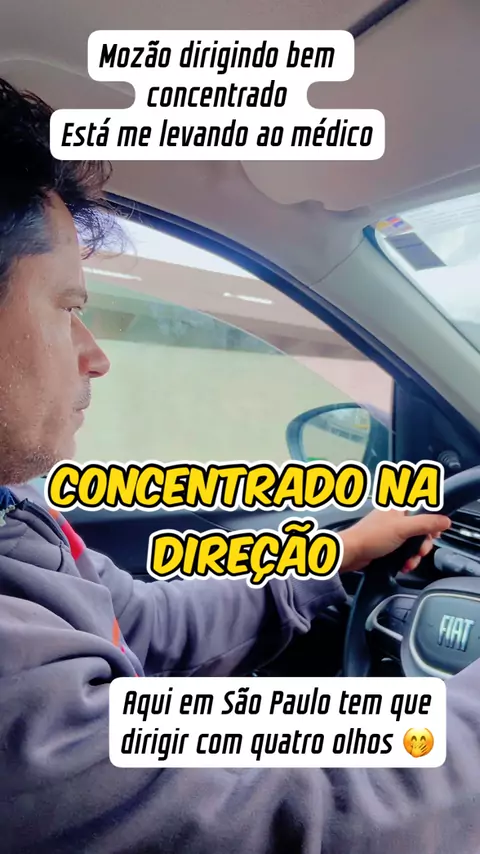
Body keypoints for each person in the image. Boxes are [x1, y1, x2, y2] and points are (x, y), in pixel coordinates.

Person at [0, 76, 478, 854]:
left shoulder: (14, 516)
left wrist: (338, 556)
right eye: (69, 309)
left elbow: (141, 626)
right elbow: (316, 820)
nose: (95, 357)